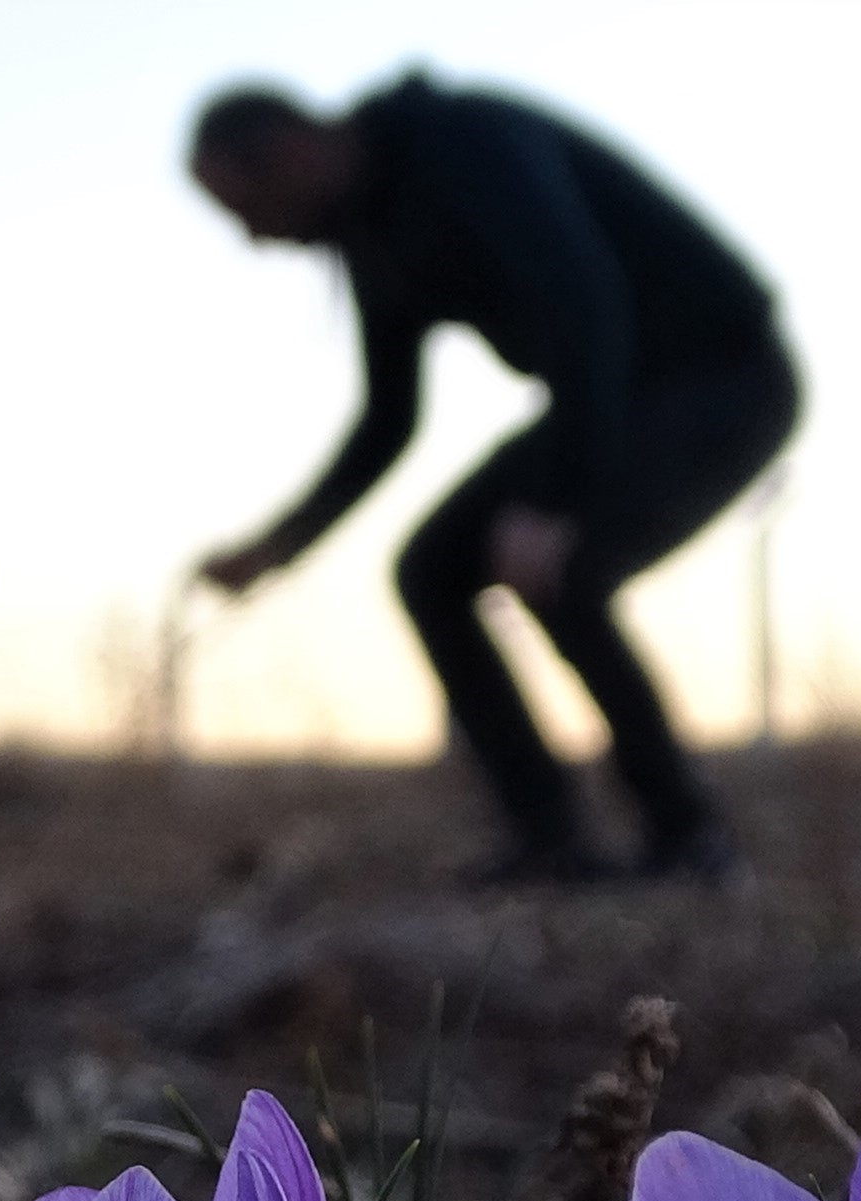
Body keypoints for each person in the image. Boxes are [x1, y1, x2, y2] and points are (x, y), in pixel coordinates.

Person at [188, 74, 797, 885]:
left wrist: (556, 499)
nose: (254, 239)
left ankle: (692, 841)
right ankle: (550, 838)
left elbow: (585, 297)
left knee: (564, 569)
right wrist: (279, 547)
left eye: (245, 209)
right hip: (610, 394)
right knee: (430, 571)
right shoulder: (370, 233)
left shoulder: (460, 142)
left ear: (292, 149)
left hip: (724, 373)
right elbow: (388, 421)